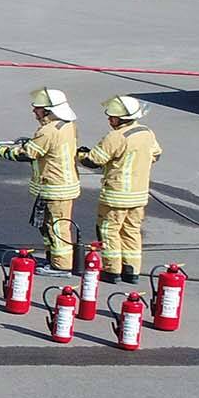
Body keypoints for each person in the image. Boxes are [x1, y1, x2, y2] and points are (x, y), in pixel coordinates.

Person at [0, 87, 80, 276]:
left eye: (37, 108)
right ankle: (53, 259)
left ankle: (61, 266)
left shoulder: (47, 131)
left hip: (56, 187)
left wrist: (1, 151)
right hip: (58, 185)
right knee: (49, 225)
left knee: (57, 226)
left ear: (48, 110)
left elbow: (26, 154)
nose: (34, 111)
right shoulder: (65, 125)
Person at [78, 95, 162, 284]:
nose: (109, 120)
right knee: (131, 231)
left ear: (120, 119)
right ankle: (131, 271)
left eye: (111, 117)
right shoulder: (146, 132)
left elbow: (94, 160)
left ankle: (112, 270)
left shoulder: (116, 136)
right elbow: (156, 154)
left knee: (109, 231)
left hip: (116, 195)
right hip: (139, 195)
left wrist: (80, 154)